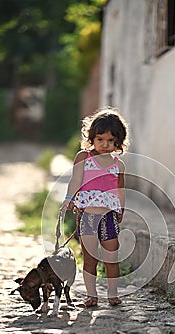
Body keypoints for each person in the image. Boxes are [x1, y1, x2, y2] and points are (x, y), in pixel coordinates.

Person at [60, 107, 129, 307]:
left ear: (118, 142)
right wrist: (69, 198)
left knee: (111, 257)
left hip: (108, 217)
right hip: (88, 216)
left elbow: (120, 190)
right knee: (90, 258)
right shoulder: (84, 157)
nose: (105, 145)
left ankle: (113, 293)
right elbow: (75, 180)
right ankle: (92, 295)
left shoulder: (119, 165)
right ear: (92, 138)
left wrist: (121, 209)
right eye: (100, 139)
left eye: (111, 141)